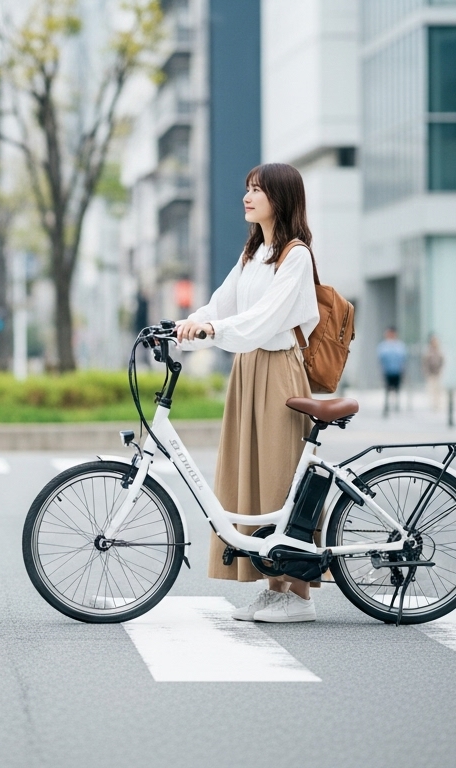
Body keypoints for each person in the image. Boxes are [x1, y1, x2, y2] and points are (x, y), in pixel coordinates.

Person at [175, 163, 320, 624]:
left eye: (258, 189)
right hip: (247, 369)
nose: (248, 196)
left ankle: (297, 594)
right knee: (250, 474)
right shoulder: (253, 253)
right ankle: (270, 586)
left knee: (278, 474)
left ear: (281, 198)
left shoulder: (295, 255)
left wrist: (213, 328)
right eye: (247, 188)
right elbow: (222, 302)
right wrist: (187, 326)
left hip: (278, 370)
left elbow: (266, 319)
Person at [377, 327, 406, 417]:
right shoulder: (383, 345)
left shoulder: (399, 345)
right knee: (387, 389)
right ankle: (387, 405)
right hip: (387, 371)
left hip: (397, 371)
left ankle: (396, 405)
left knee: (397, 389)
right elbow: (381, 357)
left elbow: (403, 357)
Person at [423, 334, 445, 412]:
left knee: (438, 390)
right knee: (432, 389)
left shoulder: (439, 352)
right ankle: (433, 404)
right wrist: (427, 372)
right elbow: (425, 363)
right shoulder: (428, 352)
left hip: (438, 373)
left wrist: (440, 370)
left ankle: (438, 404)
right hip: (431, 374)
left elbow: (442, 362)